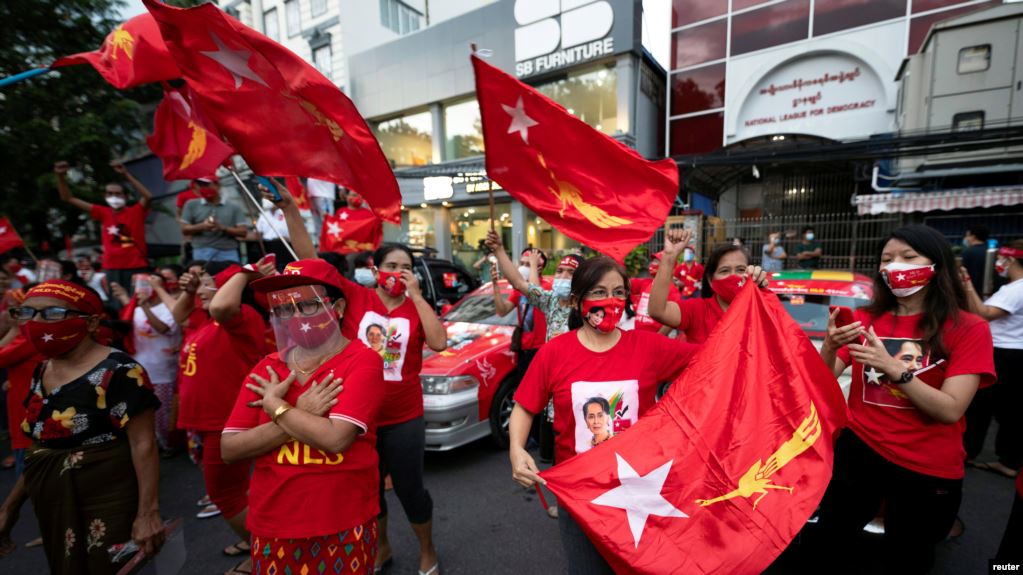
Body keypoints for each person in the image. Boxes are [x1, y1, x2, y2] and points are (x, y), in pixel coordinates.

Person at [270, 182, 446, 575]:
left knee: (410, 490)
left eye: (405, 268)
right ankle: (382, 547)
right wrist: (291, 210)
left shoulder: (417, 307)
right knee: (369, 490)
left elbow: (439, 342)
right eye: (391, 266)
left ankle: (427, 550)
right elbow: (310, 259)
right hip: (356, 416)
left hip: (404, 417)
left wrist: (418, 297)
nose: (397, 273)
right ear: (375, 269)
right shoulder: (354, 297)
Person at [813, 224, 995, 573]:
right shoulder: (865, 318)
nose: (894, 265)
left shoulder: (969, 328)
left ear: (937, 264)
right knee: (829, 545)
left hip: (927, 468)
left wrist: (895, 369)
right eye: (886, 259)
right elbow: (821, 382)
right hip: (859, 451)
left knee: (908, 558)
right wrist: (830, 347)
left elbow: (950, 409)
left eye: (908, 257)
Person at [508, 256, 700, 573]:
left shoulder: (648, 347)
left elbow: (716, 356)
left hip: (640, 492)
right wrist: (516, 448)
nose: (610, 301)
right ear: (577, 300)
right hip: (579, 497)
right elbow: (525, 406)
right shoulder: (554, 353)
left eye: (618, 292)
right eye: (599, 292)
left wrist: (754, 298)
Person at [221, 258, 385, 575]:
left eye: (308, 305)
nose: (296, 318)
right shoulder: (267, 369)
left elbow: (336, 439)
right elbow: (230, 449)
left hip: (343, 522)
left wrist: (277, 408)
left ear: (338, 308)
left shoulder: (362, 361)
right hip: (272, 524)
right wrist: (302, 414)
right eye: (284, 308)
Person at [0, 280, 165, 572]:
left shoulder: (120, 371)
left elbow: (143, 444)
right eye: (26, 312)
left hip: (107, 502)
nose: (37, 323)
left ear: (91, 323)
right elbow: (44, 448)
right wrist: (9, 508)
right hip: (54, 504)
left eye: (52, 313)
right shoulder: (43, 368)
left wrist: (147, 514)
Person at [173, 259, 271, 572]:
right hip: (208, 422)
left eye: (209, 283)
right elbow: (176, 317)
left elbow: (222, 306)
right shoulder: (205, 318)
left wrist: (243, 271)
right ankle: (261, 546)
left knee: (226, 495)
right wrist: (190, 291)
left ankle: (270, 556)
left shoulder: (243, 316)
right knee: (241, 491)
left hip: (226, 421)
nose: (201, 290)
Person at [962, 241, 1023, 478]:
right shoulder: (1013, 287)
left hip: (1004, 354)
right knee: (1009, 409)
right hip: (1011, 353)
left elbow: (984, 314)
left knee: (982, 407)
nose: (999, 263)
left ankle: (972, 452)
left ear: (1010, 260)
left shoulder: (1016, 289)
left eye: (1001, 259)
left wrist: (967, 283)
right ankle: (1007, 459)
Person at [649, 229, 770, 344]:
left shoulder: (761, 310)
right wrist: (669, 256)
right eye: (724, 271)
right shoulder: (698, 311)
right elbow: (658, 311)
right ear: (710, 280)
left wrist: (763, 294)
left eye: (741, 270)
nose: (733, 276)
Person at [55, 160, 153, 292]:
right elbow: (68, 198)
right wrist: (60, 176)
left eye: (118, 193)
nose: (114, 196)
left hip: (137, 265)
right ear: (105, 196)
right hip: (111, 267)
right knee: (116, 301)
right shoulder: (102, 212)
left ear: (125, 196)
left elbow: (148, 196)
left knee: (139, 300)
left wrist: (126, 174)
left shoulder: (137, 211)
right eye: (110, 193)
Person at [487, 230, 583, 342]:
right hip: (533, 348)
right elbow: (518, 283)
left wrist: (533, 266)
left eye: (571, 272)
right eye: (559, 271)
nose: (563, 277)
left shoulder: (586, 307)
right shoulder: (551, 300)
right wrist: (499, 250)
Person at [0, 311, 43, 477]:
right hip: (32, 411)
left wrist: (14, 330)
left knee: (28, 476)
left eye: (22, 311)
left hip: (26, 415)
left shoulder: (30, 337)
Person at [180, 178, 249, 263]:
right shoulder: (191, 204)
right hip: (201, 251)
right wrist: (202, 226)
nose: (203, 188)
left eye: (206, 185)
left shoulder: (234, 207)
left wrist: (222, 228)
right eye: (200, 185)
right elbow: (184, 230)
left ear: (218, 185)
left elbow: (243, 232)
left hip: (228, 251)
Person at [629, 252, 681, 333]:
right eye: (653, 261)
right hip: (638, 334)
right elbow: (625, 283)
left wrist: (658, 337)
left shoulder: (672, 291)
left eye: (657, 262)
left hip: (654, 336)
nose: (653, 264)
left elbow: (671, 321)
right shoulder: (646, 283)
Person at [254, 198, 294, 270]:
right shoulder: (263, 215)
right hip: (269, 245)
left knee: (285, 265)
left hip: (284, 244)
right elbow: (259, 232)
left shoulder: (283, 213)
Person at [961, 225, 990, 295]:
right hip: (990, 291)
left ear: (973, 237)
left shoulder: (967, 252)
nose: (966, 239)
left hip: (972, 291)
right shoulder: (991, 252)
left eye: (967, 236)